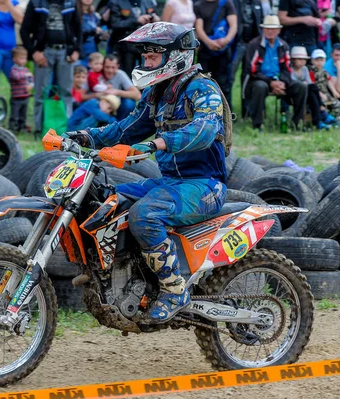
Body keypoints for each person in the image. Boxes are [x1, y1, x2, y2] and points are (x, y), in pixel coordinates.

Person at [65, 22, 228, 322]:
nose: (145, 62)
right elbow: (125, 129)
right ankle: (125, 277)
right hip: (171, 182)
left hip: (204, 186)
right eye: (145, 56)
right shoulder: (157, 94)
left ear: (176, 56)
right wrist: (85, 136)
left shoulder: (203, 88)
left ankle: (174, 288)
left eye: (153, 56)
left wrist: (158, 143)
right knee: (105, 202)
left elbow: (205, 129)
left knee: (145, 215)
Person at [20, 0, 82, 135]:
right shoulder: (36, 3)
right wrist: (34, 52)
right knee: (40, 92)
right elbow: (24, 30)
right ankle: (39, 129)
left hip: (66, 52)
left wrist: (77, 50)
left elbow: (78, 28)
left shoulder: (70, 3)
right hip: (44, 52)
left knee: (66, 91)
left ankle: (66, 128)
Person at [243, 15, 307, 131]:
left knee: (301, 86)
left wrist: (281, 82)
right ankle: (257, 125)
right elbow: (251, 70)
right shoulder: (254, 45)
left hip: (279, 80)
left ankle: (297, 123)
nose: (270, 31)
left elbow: (287, 69)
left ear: (279, 30)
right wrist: (270, 82)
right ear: (263, 29)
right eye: (267, 28)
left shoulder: (283, 46)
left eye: (273, 29)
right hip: (260, 80)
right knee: (260, 87)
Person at [194, 0, 238, 106]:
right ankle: (204, 110)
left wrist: (225, 40)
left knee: (223, 84)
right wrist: (209, 43)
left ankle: (225, 114)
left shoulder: (226, 3)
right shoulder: (198, 5)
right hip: (205, 50)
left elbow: (233, 26)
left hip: (223, 50)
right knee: (203, 82)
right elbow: (199, 28)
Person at [81, 54, 142, 120]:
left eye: (113, 67)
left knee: (129, 103)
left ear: (117, 66)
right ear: (103, 66)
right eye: (107, 67)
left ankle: (120, 124)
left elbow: (138, 95)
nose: (110, 70)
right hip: (98, 105)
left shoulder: (120, 74)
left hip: (115, 105)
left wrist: (116, 92)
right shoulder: (94, 73)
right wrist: (96, 95)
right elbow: (82, 96)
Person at [108, 0, 159, 76]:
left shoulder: (149, 2)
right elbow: (115, 24)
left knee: (147, 74)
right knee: (128, 75)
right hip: (125, 47)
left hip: (146, 45)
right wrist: (136, 20)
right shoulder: (116, 2)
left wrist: (154, 19)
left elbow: (156, 18)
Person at [290, 46, 330, 129]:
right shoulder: (290, 69)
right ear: (293, 59)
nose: (302, 62)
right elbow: (292, 83)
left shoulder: (304, 69)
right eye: (299, 59)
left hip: (307, 93)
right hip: (295, 94)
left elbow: (310, 83)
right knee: (311, 90)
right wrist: (303, 83)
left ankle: (318, 121)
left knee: (312, 93)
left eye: (304, 59)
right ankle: (322, 111)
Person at [310, 48, 340, 118]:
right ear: (312, 60)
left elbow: (328, 81)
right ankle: (324, 118)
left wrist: (334, 91)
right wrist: (320, 94)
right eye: (317, 60)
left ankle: (337, 119)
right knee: (322, 104)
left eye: (321, 60)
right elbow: (312, 84)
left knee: (337, 103)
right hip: (316, 93)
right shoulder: (311, 72)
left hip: (326, 92)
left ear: (324, 61)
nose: (319, 62)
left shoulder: (324, 71)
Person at [8, 45, 33, 133]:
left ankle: (22, 127)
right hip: (16, 97)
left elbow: (31, 79)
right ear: (14, 59)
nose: (24, 60)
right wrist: (26, 75)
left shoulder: (26, 69)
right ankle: (12, 128)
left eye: (25, 58)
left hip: (25, 96)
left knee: (23, 114)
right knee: (15, 114)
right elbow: (16, 77)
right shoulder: (13, 70)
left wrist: (30, 85)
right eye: (21, 58)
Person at [77, 0, 104, 65]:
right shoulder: (75, 13)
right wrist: (93, 30)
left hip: (93, 50)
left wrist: (101, 35)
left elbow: (97, 34)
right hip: (80, 50)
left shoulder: (94, 15)